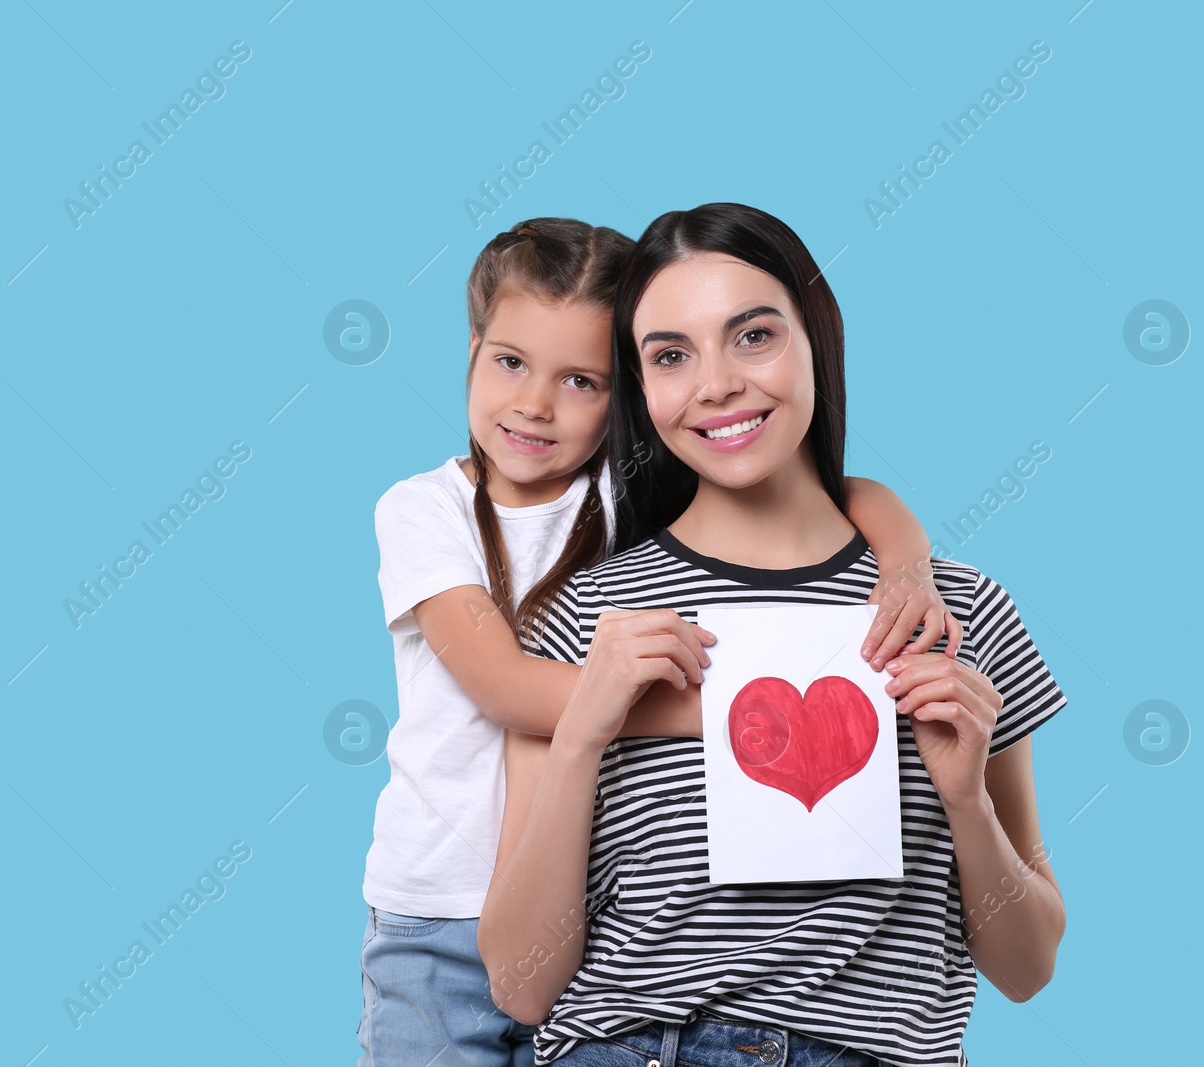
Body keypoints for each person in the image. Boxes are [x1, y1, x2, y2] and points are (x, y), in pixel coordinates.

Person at [360, 216, 962, 1066]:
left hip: (584, 919)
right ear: (469, 351)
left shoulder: (622, 495)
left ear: (628, 394)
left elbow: (839, 485)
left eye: (581, 380)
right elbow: (506, 688)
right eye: (510, 362)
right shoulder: (424, 510)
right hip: (440, 914)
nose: (535, 403)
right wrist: (756, 707)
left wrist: (906, 559)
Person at [477, 203, 1068, 1067]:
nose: (715, 384)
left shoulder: (957, 612)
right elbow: (520, 985)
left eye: (753, 336)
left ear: (816, 341)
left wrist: (967, 802)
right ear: (643, 388)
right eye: (671, 356)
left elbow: (1028, 968)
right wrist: (580, 737)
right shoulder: (591, 614)